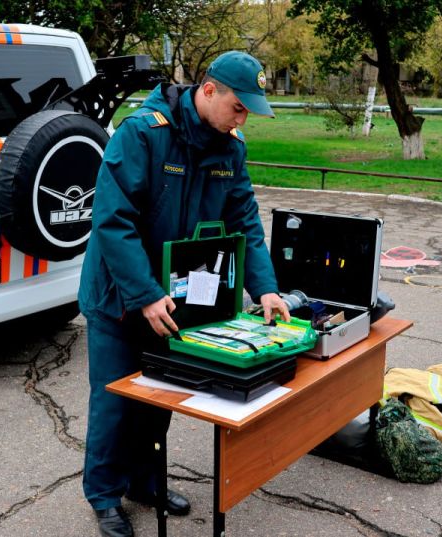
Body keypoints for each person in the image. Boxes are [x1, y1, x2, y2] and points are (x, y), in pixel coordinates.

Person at [77, 51, 291, 537]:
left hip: (176, 297)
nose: (243, 120)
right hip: (120, 294)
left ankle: (146, 482)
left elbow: (244, 221)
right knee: (113, 402)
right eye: (239, 107)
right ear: (209, 90)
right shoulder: (143, 133)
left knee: (158, 398)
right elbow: (112, 221)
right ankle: (105, 496)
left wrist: (267, 288)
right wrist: (145, 293)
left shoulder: (229, 147)